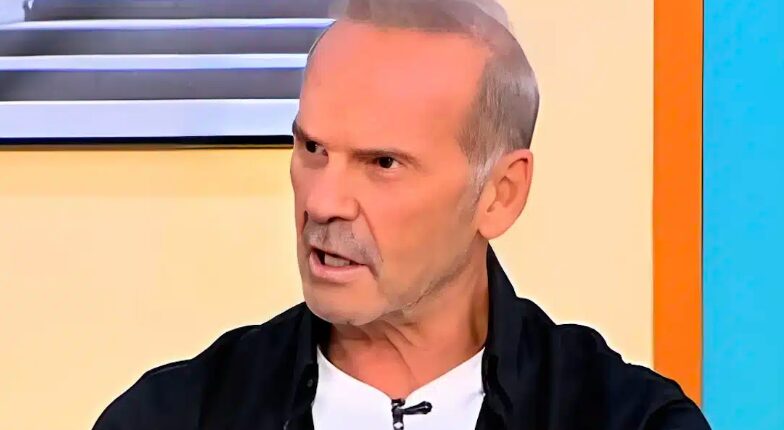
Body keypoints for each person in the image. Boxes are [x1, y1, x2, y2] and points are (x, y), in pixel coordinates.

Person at [93, 0, 710, 429]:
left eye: (382, 163)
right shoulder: (173, 415)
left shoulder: (627, 419)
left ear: (499, 194)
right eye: (312, 149)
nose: (323, 202)